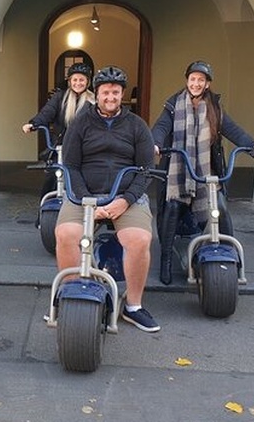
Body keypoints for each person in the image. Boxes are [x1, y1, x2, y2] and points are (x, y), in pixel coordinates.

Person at [54, 66, 160, 333]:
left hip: (126, 196)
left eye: (115, 92)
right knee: (66, 234)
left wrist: (125, 201)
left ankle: (133, 306)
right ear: (97, 94)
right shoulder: (81, 122)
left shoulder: (137, 125)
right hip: (84, 194)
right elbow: (71, 165)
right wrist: (86, 200)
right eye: (105, 92)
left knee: (139, 240)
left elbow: (146, 169)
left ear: (122, 94)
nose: (110, 97)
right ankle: (74, 296)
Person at [152, 60, 254, 285]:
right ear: (187, 81)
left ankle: (232, 257)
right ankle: (166, 258)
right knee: (174, 205)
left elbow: (233, 130)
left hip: (208, 173)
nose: (196, 84)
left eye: (200, 80)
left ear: (207, 84)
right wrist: (154, 143)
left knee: (221, 207)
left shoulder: (214, 108)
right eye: (192, 79)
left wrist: (253, 145)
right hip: (177, 171)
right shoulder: (174, 104)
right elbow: (160, 128)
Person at [21, 62, 95, 198]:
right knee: (53, 179)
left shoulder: (93, 102)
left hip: (85, 148)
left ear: (88, 82)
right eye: (75, 80)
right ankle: (43, 216)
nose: (78, 83)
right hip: (61, 146)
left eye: (82, 80)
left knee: (87, 178)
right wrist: (34, 124)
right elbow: (47, 112)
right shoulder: (60, 97)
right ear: (70, 81)